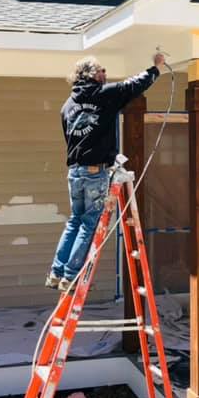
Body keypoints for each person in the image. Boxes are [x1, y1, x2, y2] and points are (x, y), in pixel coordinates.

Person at [47, 52, 166, 291]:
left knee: (74, 221)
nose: (105, 74)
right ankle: (70, 276)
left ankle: (56, 272)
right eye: (101, 70)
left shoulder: (67, 106)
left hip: (75, 171)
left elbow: (72, 139)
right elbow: (133, 85)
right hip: (94, 172)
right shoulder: (104, 94)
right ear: (91, 74)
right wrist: (155, 68)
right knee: (89, 223)